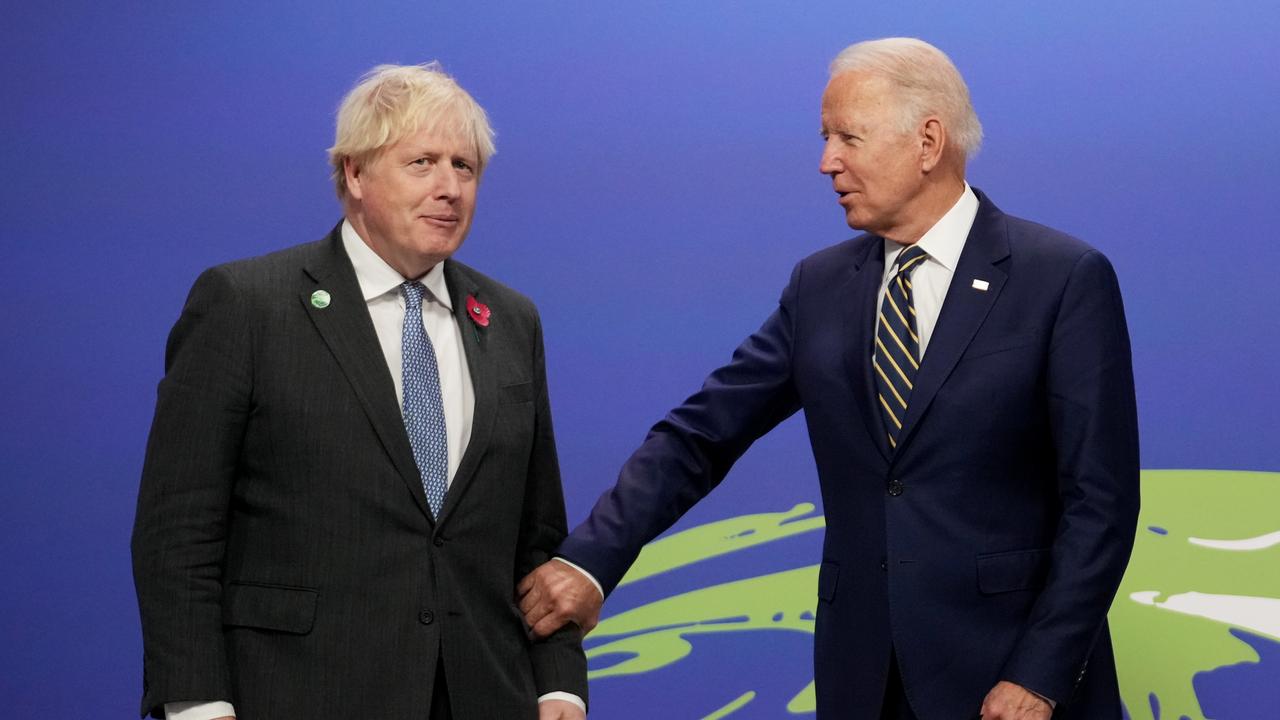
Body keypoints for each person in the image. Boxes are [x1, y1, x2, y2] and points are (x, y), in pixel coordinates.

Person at [518, 38, 1139, 720]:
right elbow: (702, 434)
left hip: (1011, 682)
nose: (826, 162)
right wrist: (591, 559)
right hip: (863, 682)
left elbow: (1100, 504)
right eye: (825, 138)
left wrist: (1039, 677)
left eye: (848, 137)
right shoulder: (819, 287)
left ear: (928, 141)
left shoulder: (1060, 278)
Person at [132, 63, 586, 720]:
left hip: (486, 696)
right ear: (353, 173)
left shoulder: (512, 320)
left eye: (464, 166)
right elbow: (180, 532)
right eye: (422, 161)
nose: (448, 188)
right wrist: (197, 702)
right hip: (297, 694)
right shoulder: (247, 306)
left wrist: (558, 683)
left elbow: (537, 535)